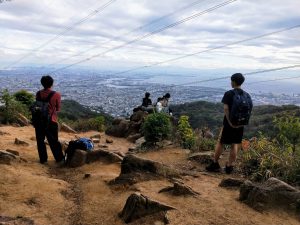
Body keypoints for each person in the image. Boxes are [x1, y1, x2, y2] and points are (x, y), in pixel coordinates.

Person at [206, 73, 252, 174]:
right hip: (240, 124)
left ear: (234, 82)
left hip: (229, 123)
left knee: (221, 142)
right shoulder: (246, 95)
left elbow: (226, 108)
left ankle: (215, 163)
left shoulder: (229, 93)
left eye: (231, 81)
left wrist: (230, 122)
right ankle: (229, 166)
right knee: (234, 144)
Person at [34, 75, 64, 165]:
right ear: (52, 83)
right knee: (54, 141)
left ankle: (43, 159)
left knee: (40, 140)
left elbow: (38, 106)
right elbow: (58, 109)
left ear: (42, 83)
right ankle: (59, 159)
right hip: (51, 121)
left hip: (39, 121)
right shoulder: (56, 94)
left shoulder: (38, 93)